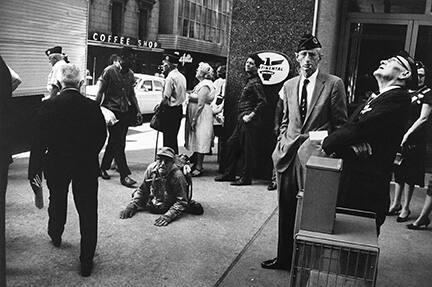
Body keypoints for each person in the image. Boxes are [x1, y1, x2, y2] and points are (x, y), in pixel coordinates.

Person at [262, 33, 348, 271]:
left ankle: (306, 263)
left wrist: (330, 155)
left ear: (320, 58)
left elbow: (340, 124)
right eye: (303, 55)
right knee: (286, 208)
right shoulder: (289, 85)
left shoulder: (333, 83)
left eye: (312, 55)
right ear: (296, 58)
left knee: (312, 212)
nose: (307, 59)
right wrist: (281, 142)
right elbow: (286, 119)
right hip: (286, 155)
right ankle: (284, 258)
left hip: (314, 157)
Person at [322, 50, 417, 236]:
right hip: (354, 183)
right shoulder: (379, 97)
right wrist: (349, 144)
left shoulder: (399, 99)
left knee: (355, 249)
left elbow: (357, 129)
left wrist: (330, 142)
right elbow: (351, 128)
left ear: (404, 74)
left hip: (366, 191)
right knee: (344, 245)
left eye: (391, 60)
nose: (383, 59)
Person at [28, 63, 107, 277]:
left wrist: (34, 171)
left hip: (56, 162)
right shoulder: (92, 107)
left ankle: (56, 233)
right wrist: (90, 153)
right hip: (86, 164)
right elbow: (102, 135)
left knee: (58, 199)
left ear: (59, 84)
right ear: (80, 84)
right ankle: (86, 260)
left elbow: (38, 142)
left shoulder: (48, 106)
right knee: (88, 209)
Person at [389, 61, 432, 222]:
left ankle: (406, 208)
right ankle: (396, 204)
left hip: (415, 139)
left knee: (410, 174)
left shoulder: (427, 93)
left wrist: (407, 134)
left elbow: (423, 118)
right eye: (417, 75)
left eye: (422, 75)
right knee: (398, 171)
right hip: (400, 137)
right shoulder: (406, 91)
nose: (419, 78)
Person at [214, 54, 267, 186]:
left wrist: (251, 115)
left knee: (247, 150)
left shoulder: (255, 82)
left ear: (257, 67)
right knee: (232, 144)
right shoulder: (249, 81)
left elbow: (263, 102)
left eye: (251, 63)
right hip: (241, 120)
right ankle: (229, 174)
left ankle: (245, 178)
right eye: (247, 62)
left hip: (248, 120)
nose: (247, 65)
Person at [119, 147, 203, 226]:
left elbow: (181, 201)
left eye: (166, 161)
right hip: (155, 198)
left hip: (170, 201)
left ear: (172, 162)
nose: (162, 164)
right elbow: (142, 190)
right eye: (160, 160)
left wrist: (168, 216)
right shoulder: (151, 168)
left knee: (192, 207)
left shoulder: (177, 176)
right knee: (136, 194)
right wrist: (131, 206)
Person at [96, 47, 142, 188]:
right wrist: (94, 109)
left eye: (133, 59)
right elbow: (100, 92)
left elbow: (131, 94)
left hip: (125, 112)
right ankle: (124, 175)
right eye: (129, 59)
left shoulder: (130, 74)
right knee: (119, 143)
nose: (132, 62)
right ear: (121, 58)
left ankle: (103, 167)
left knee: (115, 142)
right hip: (112, 112)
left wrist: (138, 111)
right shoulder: (109, 71)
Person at [185, 62, 215, 176]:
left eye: (198, 69)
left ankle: (199, 166)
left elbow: (201, 104)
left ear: (203, 73)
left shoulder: (205, 85)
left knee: (201, 138)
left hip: (202, 115)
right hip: (199, 114)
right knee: (197, 138)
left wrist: (194, 120)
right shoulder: (201, 84)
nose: (196, 71)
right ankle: (196, 164)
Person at [159, 54, 187, 154]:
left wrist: (159, 108)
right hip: (178, 110)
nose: (163, 67)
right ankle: (174, 160)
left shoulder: (170, 78)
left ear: (169, 65)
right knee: (173, 137)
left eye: (164, 65)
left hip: (169, 111)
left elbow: (166, 98)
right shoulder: (182, 77)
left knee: (168, 139)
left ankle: (168, 161)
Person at [267, 96, 285, 191]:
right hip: (288, 126)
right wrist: (277, 124)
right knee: (277, 154)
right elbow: (279, 105)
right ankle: (275, 180)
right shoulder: (288, 85)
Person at [210, 65, 227, 165]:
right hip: (220, 109)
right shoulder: (225, 82)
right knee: (221, 137)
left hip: (215, 107)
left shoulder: (216, 82)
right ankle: (220, 158)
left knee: (213, 133)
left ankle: (209, 150)